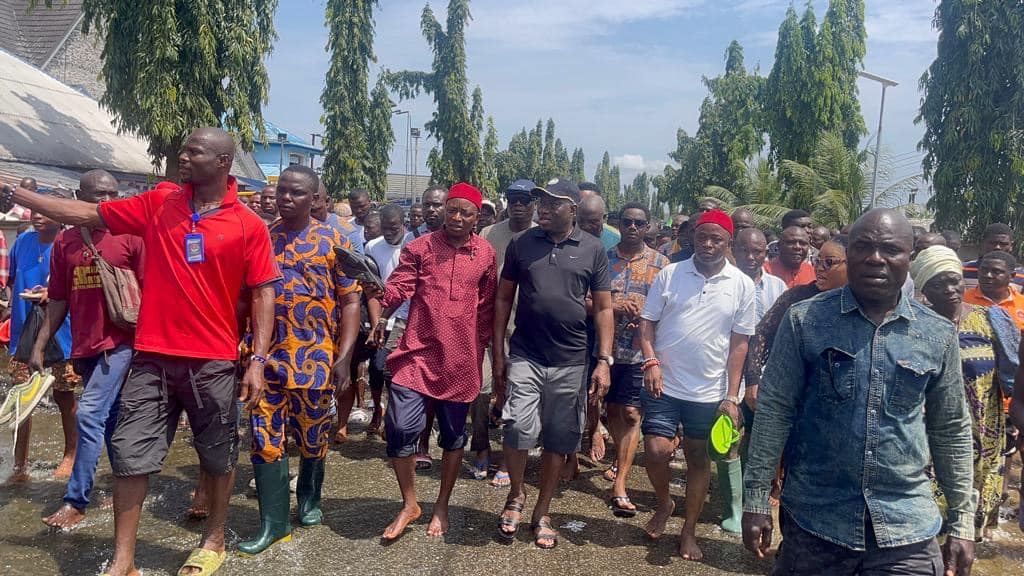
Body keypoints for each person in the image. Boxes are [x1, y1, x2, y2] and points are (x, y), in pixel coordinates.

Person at [2, 127, 280, 576]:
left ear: (224, 161)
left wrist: (259, 361)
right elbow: (86, 212)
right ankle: (124, 561)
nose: (183, 157)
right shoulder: (159, 204)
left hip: (213, 359)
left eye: (194, 151)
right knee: (130, 454)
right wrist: (17, 191)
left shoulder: (247, 224)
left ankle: (214, 539)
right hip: (151, 355)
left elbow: (263, 292)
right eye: (183, 149)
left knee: (216, 453)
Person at [742, 209, 975, 576]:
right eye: (863, 246)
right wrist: (755, 499)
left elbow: (951, 430)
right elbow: (775, 410)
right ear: (848, 255)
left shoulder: (938, 335)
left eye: (890, 249)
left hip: (905, 528)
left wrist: (963, 522)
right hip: (816, 522)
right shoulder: (806, 320)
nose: (875, 258)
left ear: (909, 260)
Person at [239, 166, 360, 555]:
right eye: (282, 192)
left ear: (314, 198)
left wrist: (344, 358)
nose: (286, 199)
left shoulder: (335, 240)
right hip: (266, 358)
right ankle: (272, 523)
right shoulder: (262, 238)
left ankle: (308, 497)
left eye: (296, 193)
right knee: (264, 437)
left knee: (312, 438)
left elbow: (351, 301)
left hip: (316, 359)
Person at [367, 182, 497, 540]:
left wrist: (479, 351)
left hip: (460, 360)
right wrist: (378, 292)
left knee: (454, 438)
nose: (456, 217)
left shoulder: (485, 253)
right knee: (400, 429)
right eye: (451, 210)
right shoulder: (420, 247)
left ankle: (441, 504)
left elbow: (486, 309)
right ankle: (410, 503)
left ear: (476, 217)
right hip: (417, 353)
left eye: (465, 213)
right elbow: (398, 288)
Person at [493, 178, 613, 549]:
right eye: (539, 202)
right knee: (516, 428)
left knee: (560, 440)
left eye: (552, 203)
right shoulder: (522, 244)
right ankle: (516, 495)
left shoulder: (592, 249)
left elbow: (605, 307)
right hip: (527, 353)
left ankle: (542, 510)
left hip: (572, 360)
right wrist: (498, 350)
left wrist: (604, 361)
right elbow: (502, 300)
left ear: (573, 209)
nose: (542, 208)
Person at [638, 209, 754, 561]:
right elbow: (647, 325)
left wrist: (732, 397)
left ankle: (689, 530)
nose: (707, 244)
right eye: (702, 236)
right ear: (693, 238)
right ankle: (663, 502)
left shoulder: (741, 285)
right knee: (656, 451)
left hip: (710, 391)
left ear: (727, 243)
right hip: (665, 383)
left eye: (716, 238)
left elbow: (740, 344)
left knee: (697, 458)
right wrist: (651, 361)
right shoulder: (671, 274)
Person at [36, 171, 143, 530]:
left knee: (90, 414)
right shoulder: (65, 243)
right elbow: (59, 300)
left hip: (122, 343)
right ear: (79, 196)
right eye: (99, 194)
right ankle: (125, 483)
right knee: (110, 419)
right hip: (86, 345)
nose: (107, 201)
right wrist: (40, 343)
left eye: (113, 194)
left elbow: (152, 290)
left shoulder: (130, 236)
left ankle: (76, 500)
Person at [912, 246, 1012, 539]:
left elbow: (1012, 373)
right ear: (924, 289)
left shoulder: (991, 320)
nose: (950, 289)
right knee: (933, 516)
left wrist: (1015, 419)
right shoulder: (915, 326)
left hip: (985, 434)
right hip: (932, 436)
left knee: (972, 522)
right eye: (938, 283)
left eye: (954, 279)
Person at [601, 202, 670, 518]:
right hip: (605, 349)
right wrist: (614, 306)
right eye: (626, 222)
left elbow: (671, 310)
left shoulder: (662, 265)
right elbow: (586, 298)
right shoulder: (603, 258)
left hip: (640, 351)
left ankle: (621, 484)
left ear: (648, 227)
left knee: (631, 413)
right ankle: (619, 455)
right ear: (619, 224)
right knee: (612, 409)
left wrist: (645, 312)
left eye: (638, 223)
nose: (632, 227)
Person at [7, 198, 75, 482]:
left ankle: (70, 455)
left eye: (46, 213)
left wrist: (51, 293)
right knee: (22, 398)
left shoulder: (67, 244)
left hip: (60, 330)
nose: (38, 217)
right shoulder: (22, 241)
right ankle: (19, 463)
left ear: (59, 216)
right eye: (35, 212)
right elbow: (12, 280)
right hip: (23, 329)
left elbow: (76, 287)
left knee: (64, 395)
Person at [479, 179, 536, 487]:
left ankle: (506, 457)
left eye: (525, 200)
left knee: (516, 395)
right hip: (489, 325)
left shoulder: (540, 236)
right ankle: (481, 446)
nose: (518, 204)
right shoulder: (489, 233)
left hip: (523, 329)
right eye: (513, 198)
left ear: (534, 204)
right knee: (481, 389)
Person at [965, 251, 1024, 329]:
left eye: (996, 271)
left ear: (1012, 276)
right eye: (984, 270)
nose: (988, 275)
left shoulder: (1021, 303)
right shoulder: (963, 300)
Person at [964, 223, 1024, 289]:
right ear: (983, 243)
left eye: (1003, 244)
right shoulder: (963, 270)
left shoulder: (1021, 274)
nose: (997, 247)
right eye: (992, 243)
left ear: (1011, 246)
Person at [578, 181, 621, 250]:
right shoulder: (562, 235)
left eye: (592, 200)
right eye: (580, 201)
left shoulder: (616, 239)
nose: (587, 205)